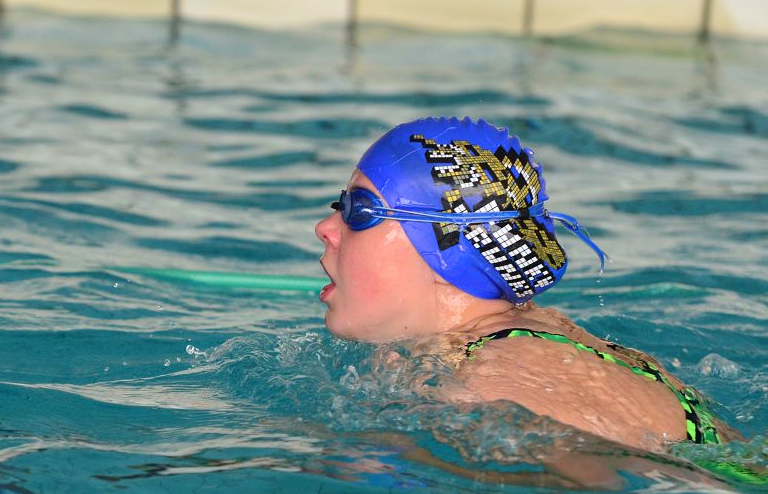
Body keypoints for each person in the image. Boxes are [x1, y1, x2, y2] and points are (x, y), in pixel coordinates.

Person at [315, 116, 736, 453]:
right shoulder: (544, 335)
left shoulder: (491, 381)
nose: (325, 228)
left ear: (448, 250)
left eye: (359, 212)